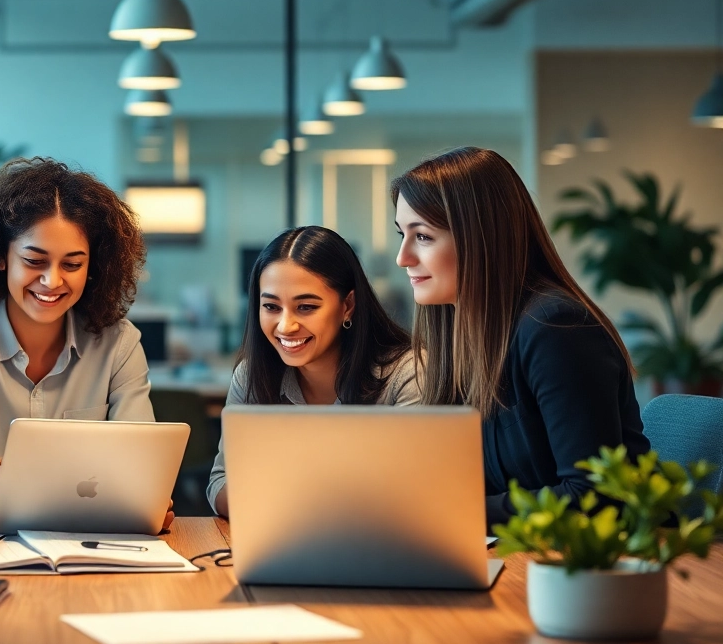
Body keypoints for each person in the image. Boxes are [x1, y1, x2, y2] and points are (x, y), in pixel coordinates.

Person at [0, 157, 172, 530]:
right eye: (34, 261)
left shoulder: (118, 343)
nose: (52, 281)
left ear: (93, 269)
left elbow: (142, 461)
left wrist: (146, 498)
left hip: (85, 543)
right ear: (2, 257)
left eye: (72, 265)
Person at [391, 146, 650, 527]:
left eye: (423, 237)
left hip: (598, 566)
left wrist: (457, 512)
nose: (403, 257)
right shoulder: (467, 335)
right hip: (524, 555)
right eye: (402, 234)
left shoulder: (556, 329)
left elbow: (592, 495)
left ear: (481, 237)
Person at [208, 226, 421, 517]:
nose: (285, 326)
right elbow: (219, 484)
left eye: (306, 307)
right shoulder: (251, 375)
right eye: (271, 306)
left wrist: (282, 490)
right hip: (281, 544)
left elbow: (414, 495)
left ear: (347, 306)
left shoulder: (406, 374)